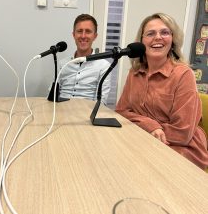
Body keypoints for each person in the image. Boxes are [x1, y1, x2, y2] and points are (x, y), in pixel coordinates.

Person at [115, 13, 208, 170]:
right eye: (150, 33)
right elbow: (121, 111)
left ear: (172, 40)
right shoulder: (135, 72)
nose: (158, 37)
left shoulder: (183, 74)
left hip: (182, 149)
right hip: (145, 140)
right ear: (142, 41)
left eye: (164, 32)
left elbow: (182, 133)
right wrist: (150, 125)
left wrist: (145, 129)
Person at [57, 14, 111, 105]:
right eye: (79, 31)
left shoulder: (104, 66)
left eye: (88, 31)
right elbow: (52, 94)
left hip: (86, 115)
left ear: (95, 36)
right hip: (60, 112)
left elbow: (101, 103)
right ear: (73, 35)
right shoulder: (63, 64)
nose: (83, 36)